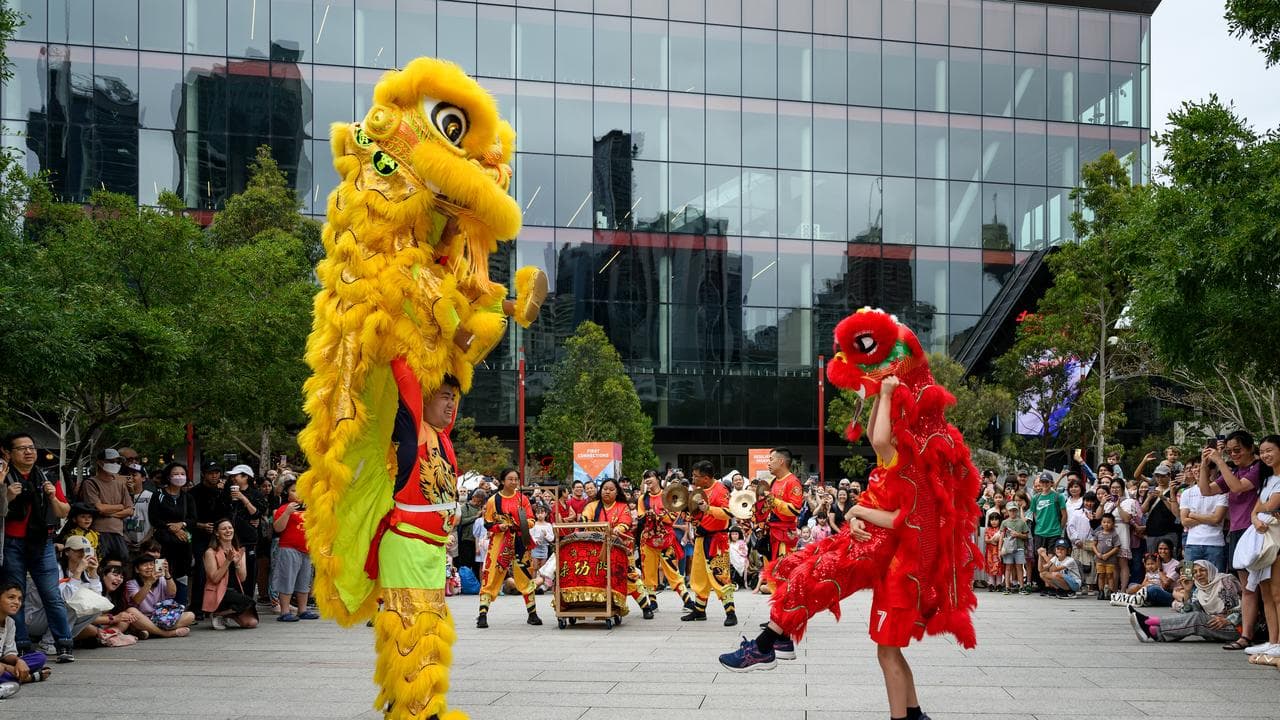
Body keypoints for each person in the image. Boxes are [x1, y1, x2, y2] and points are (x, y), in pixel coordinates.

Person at [1, 432, 74, 662]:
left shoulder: (48, 476)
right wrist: (7, 495)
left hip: (42, 542)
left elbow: (64, 511)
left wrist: (52, 497)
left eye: (31, 447)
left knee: (51, 594)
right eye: (22, 448)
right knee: (16, 596)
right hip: (12, 543)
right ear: (8, 453)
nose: (29, 452)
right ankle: (20, 646)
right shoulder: (3, 477)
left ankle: (64, 643)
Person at [1197, 430, 1264, 651]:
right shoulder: (1234, 470)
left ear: (1250, 448)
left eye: (1238, 450)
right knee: (1247, 587)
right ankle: (1246, 634)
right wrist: (1205, 464)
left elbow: (1237, 487)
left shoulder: (1257, 468)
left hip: (1254, 530)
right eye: (1230, 451)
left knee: (1263, 587)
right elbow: (1206, 490)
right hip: (1236, 530)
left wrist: (1219, 460)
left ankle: (1261, 633)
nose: (1233, 455)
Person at [582, 477, 655, 619]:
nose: (607, 492)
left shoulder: (622, 507)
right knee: (599, 578)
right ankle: (603, 607)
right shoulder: (592, 506)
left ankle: (646, 606)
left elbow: (625, 523)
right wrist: (584, 521)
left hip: (620, 548)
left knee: (630, 577)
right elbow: (585, 518)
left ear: (617, 492)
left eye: (611, 489)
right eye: (604, 489)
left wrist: (618, 528)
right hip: (598, 550)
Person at [476, 468, 540, 628]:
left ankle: (532, 614)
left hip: (520, 541)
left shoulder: (522, 499)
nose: (513, 482)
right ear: (503, 481)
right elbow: (488, 523)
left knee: (525, 576)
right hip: (499, 542)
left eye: (516, 479)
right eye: (510, 479)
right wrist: (500, 527)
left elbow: (531, 520)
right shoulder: (493, 501)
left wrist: (523, 525)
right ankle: (482, 614)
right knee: (491, 576)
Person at [1129, 560, 1241, 644]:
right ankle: (1153, 631)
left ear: (1210, 570)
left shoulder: (1225, 582)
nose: (1198, 574)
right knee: (1196, 617)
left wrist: (1228, 620)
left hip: (1237, 629)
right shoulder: (1200, 590)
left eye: (1202, 570)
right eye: (1195, 572)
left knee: (1197, 618)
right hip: (1214, 626)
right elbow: (1188, 613)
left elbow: (1246, 607)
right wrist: (1187, 591)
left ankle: (1149, 621)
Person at [684, 460, 737, 626]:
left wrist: (708, 509)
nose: (693, 479)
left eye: (696, 476)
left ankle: (731, 612)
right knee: (699, 576)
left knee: (720, 575)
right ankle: (699, 611)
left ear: (706, 478)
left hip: (717, 540)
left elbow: (728, 512)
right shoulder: (698, 490)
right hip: (701, 538)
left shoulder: (720, 489)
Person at [1242, 435, 1280, 658]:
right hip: (1264, 537)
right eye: (1262, 451)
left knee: (1277, 593)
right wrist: (1256, 518)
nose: (1265, 455)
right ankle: (1273, 640)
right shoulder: (1267, 479)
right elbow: (1257, 509)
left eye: (1270, 450)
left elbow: (1271, 505)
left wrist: (1260, 513)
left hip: (1276, 538)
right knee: (1265, 592)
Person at [635, 469, 688, 609]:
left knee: (672, 570)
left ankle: (687, 601)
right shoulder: (642, 498)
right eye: (645, 478)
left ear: (658, 478)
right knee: (649, 571)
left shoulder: (668, 495)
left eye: (650, 477)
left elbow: (672, 517)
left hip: (666, 539)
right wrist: (650, 515)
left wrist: (657, 515)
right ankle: (653, 602)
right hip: (647, 539)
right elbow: (641, 517)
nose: (647, 480)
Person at [147, 462, 196, 606]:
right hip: (163, 544)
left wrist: (182, 525)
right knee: (161, 572)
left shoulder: (188, 497)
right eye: (175, 474)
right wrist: (172, 527)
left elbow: (193, 519)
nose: (179, 477)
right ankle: (159, 606)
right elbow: (154, 519)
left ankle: (180, 606)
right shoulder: (159, 495)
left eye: (182, 474)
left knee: (182, 574)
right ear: (168, 477)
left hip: (182, 545)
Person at [756, 447, 804, 594]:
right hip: (772, 532)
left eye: (771, 460)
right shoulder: (772, 482)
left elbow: (795, 509)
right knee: (772, 575)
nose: (768, 464)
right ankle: (777, 613)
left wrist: (773, 500)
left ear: (781, 461)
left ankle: (786, 612)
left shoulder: (792, 482)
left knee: (784, 574)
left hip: (784, 535)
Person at [271, 479, 317, 623]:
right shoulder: (284, 508)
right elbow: (278, 528)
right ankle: (284, 611)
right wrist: (287, 513)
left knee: (304, 580)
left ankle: (302, 609)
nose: (298, 493)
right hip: (289, 548)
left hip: (307, 550)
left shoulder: (311, 508)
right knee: (287, 579)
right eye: (294, 490)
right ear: (287, 493)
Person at [202, 519, 260, 630]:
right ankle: (217, 613)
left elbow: (243, 578)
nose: (228, 531)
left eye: (230, 528)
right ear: (217, 533)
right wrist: (227, 561)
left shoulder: (238, 550)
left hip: (235, 592)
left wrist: (238, 564)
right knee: (249, 601)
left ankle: (224, 614)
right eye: (224, 529)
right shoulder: (210, 552)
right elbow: (214, 578)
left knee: (251, 623)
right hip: (220, 592)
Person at [79, 448, 133, 562]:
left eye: (118, 462)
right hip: (98, 532)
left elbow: (130, 510)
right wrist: (119, 506)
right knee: (99, 564)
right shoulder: (90, 483)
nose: (115, 464)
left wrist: (108, 512)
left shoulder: (120, 485)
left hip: (118, 532)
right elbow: (99, 508)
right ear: (100, 462)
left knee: (121, 564)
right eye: (111, 461)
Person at [220, 465, 264, 601]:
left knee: (249, 573)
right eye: (232, 476)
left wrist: (242, 498)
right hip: (229, 539)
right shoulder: (226, 493)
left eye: (236, 475)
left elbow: (257, 513)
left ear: (246, 477)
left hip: (248, 540)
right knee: (229, 572)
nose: (233, 478)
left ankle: (247, 603)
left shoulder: (256, 494)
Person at [189, 460, 225, 618]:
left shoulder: (222, 491)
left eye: (217, 472)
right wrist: (201, 525)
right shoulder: (194, 493)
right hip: (200, 536)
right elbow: (188, 517)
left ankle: (217, 605)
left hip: (219, 536)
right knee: (201, 571)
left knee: (221, 570)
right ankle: (198, 607)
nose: (215, 475)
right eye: (211, 473)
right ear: (204, 474)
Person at [124, 554, 194, 636]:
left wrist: (167, 574)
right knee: (131, 611)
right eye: (145, 565)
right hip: (144, 617)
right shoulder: (131, 583)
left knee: (190, 616)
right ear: (137, 569)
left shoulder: (161, 579)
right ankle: (167, 633)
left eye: (151, 564)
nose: (149, 567)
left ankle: (150, 631)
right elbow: (137, 600)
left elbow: (172, 593)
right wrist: (149, 582)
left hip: (163, 617)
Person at [1, 582, 50, 693]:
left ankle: (13, 677)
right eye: (11, 597)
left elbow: (8, 653)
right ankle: (28, 678)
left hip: (2, 665)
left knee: (39, 657)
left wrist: (19, 661)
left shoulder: (10, 622)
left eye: (19, 599)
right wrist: (9, 668)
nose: (16, 602)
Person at [1180, 465, 1229, 572]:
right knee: (1187, 576)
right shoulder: (1186, 493)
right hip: (1191, 544)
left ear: (1211, 470)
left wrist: (1193, 515)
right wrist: (1208, 518)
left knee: (1216, 580)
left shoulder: (1222, 492)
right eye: (1194, 467)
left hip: (1215, 544)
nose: (1197, 470)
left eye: (1200, 466)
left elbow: (1217, 519)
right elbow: (1184, 521)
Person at [1141, 463, 1182, 554]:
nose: (1160, 479)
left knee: (1169, 559)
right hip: (1152, 532)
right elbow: (1142, 511)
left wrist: (1163, 498)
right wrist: (1149, 498)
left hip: (1169, 531)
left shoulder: (1174, 491)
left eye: (1162, 476)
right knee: (1152, 560)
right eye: (1157, 476)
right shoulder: (1151, 490)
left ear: (1169, 476)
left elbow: (1174, 511)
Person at [1090, 513, 1122, 601]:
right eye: (1104, 522)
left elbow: (1117, 547)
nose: (1106, 524)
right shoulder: (1098, 533)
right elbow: (1093, 545)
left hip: (1110, 560)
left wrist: (1107, 555)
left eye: (1108, 522)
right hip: (1100, 559)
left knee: (1110, 575)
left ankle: (1110, 592)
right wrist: (1097, 553)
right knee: (1101, 575)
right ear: (1101, 523)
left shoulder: (1114, 535)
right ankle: (1101, 591)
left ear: (1113, 523)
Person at [122, 463, 152, 553]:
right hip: (126, 543)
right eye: (128, 475)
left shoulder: (151, 496)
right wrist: (125, 537)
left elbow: (155, 522)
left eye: (134, 475)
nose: (130, 477)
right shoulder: (120, 496)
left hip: (146, 543)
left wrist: (146, 539)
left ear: (143, 478)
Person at [1000, 502, 1029, 594]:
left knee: (1019, 567)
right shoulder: (1004, 522)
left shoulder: (1022, 522)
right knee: (1008, 567)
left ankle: (1021, 587)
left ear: (1017, 511)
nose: (1012, 512)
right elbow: (1001, 536)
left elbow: (1026, 536)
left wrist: (1018, 534)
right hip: (1008, 548)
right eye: (1010, 510)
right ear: (1007, 511)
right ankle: (1007, 587)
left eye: (1014, 510)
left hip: (1019, 548)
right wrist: (999, 549)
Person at [982, 512, 1003, 592]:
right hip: (990, 552)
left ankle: (999, 584)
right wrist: (992, 540)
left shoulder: (1001, 529)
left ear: (999, 520)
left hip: (998, 551)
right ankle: (991, 584)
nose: (994, 521)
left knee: (999, 566)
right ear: (989, 521)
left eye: (996, 519)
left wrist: (992, 540)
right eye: (992, 520)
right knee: (990, 566)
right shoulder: (987, 529)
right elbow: (986, 540)